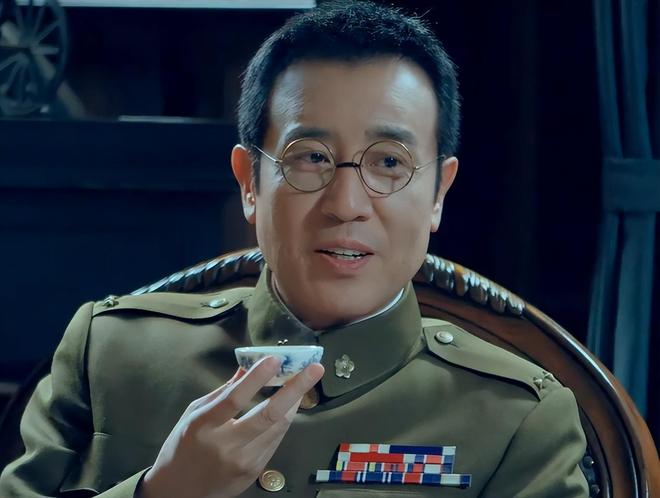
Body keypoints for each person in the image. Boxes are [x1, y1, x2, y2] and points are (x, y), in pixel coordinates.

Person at [0, 1, 589, 497]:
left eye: (390, 162)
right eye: (311, 158)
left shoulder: (517, 418)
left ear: (439, 193)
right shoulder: (109, 355)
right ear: (249, 183)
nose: (347, 204)